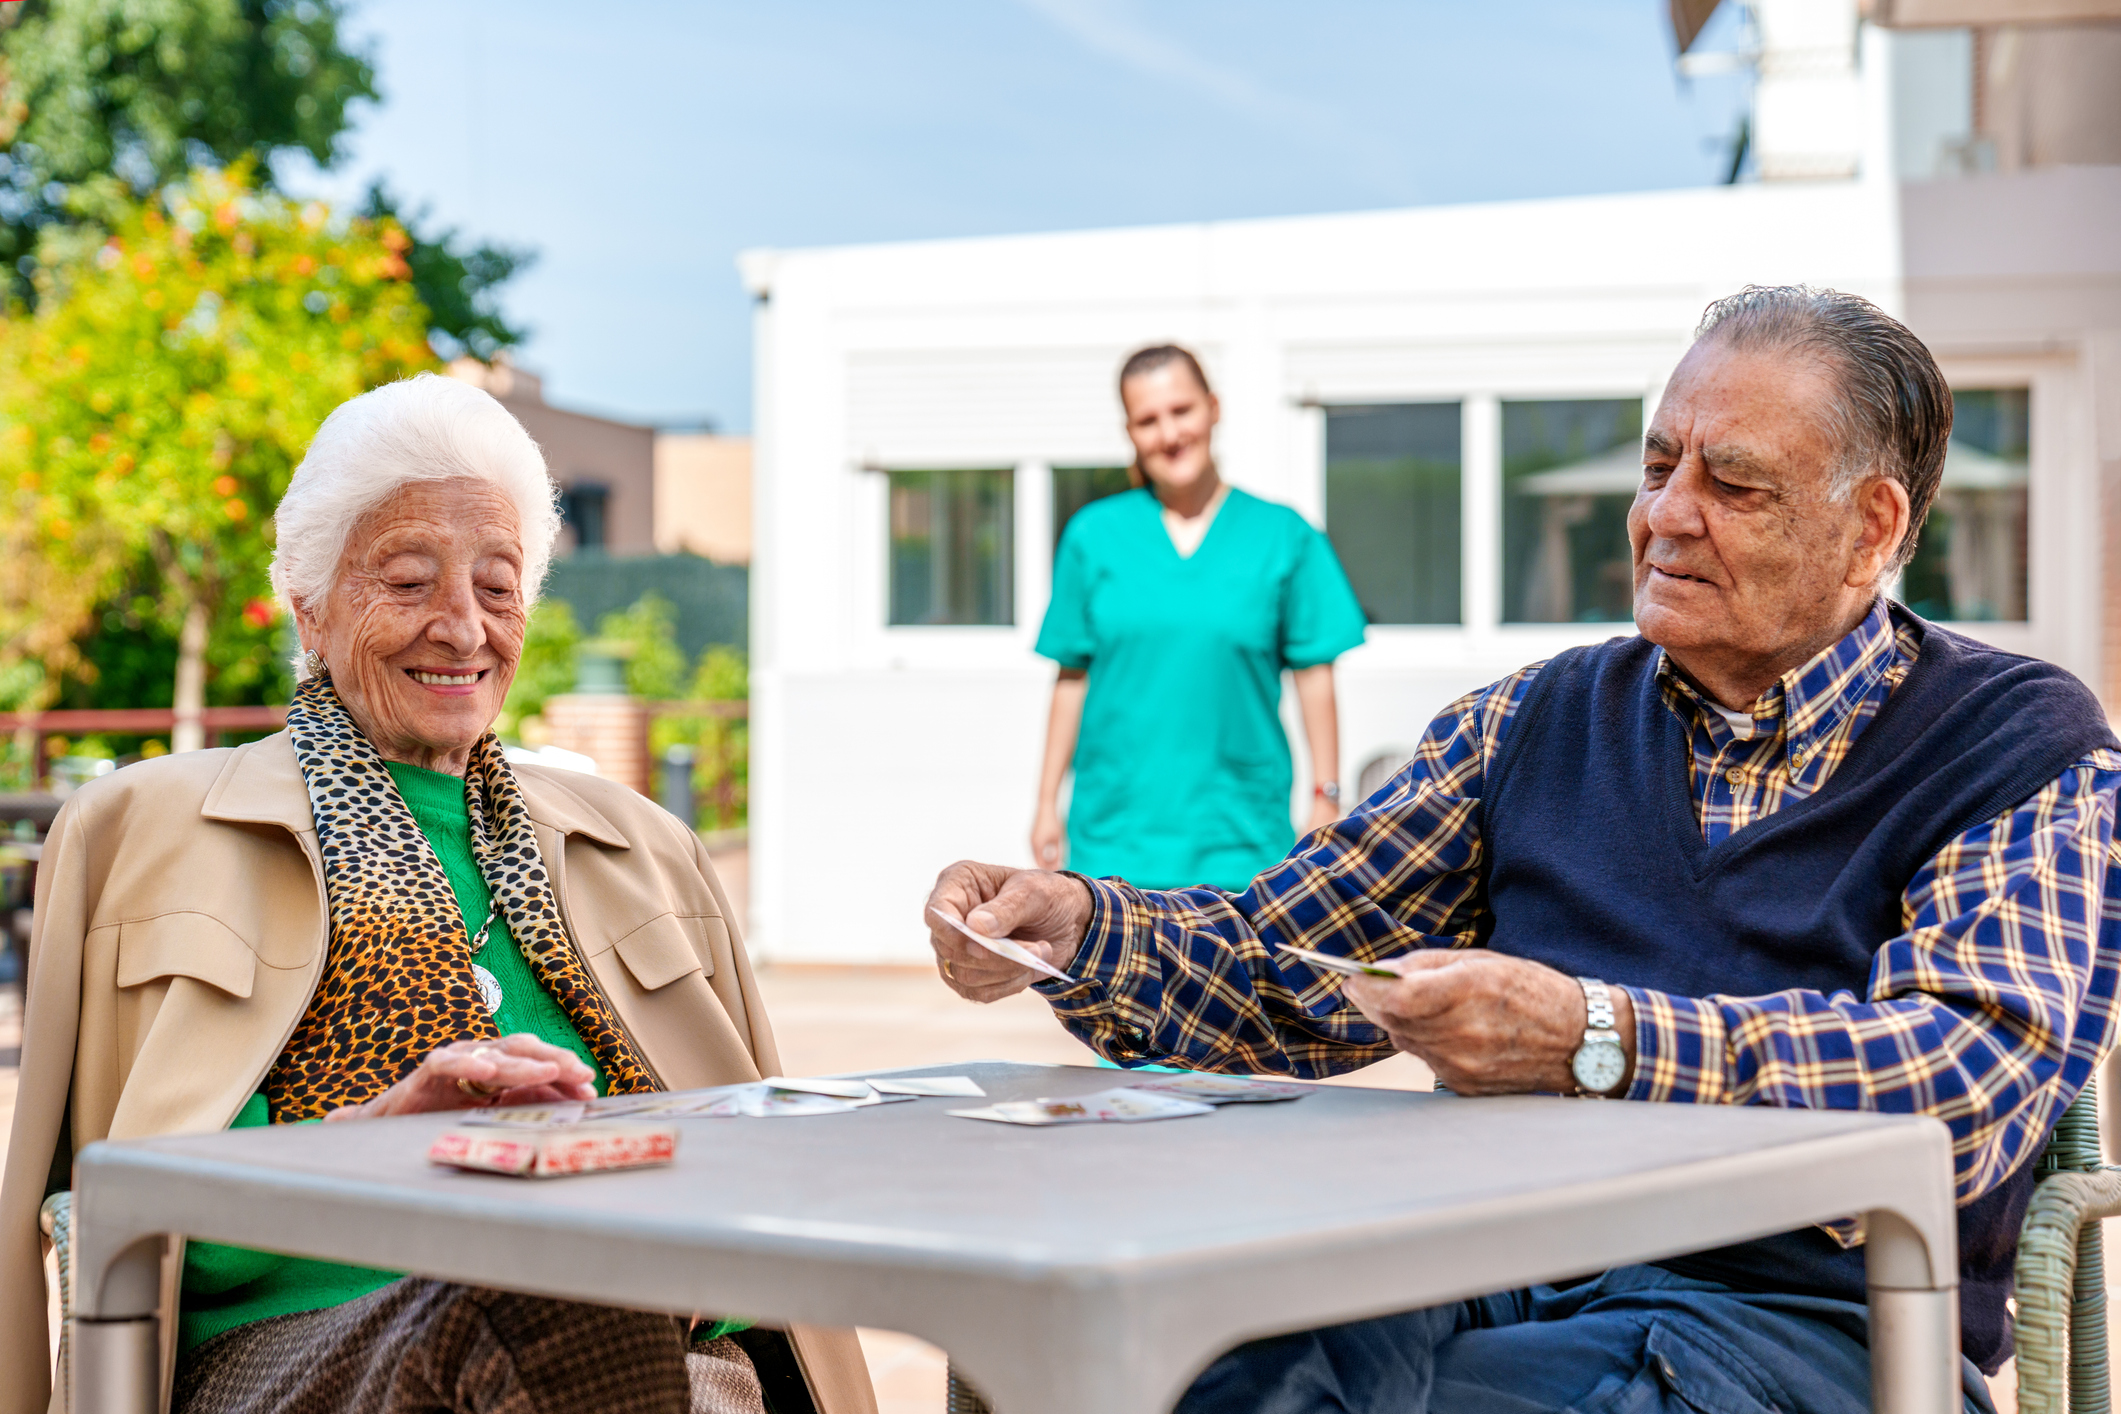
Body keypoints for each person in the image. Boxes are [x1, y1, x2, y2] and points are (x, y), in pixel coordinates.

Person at [927, 287, 2121, 1414]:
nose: (1663, 513)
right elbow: (1286, 965)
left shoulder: (2014, 741)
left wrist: (1592, 1039)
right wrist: (1077, 927)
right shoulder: (1534, 722)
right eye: (1660, 466)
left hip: (1810, 1326)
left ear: (1872, 529)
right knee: (1207, 1355)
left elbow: (1962, 1085)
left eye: (1734, 482)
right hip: (1494, 1254)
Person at [0, 375, 875, 1414]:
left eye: (498, 588)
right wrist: (376, 1148)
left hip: (658, 1352)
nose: (463, 628)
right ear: (310, 609)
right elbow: (98, 1213)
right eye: (410, 582)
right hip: (296, 1360)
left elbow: (754, 1165)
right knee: (538, 1272)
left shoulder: (646, 847)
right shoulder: (148, 830)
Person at [1031, 344, 1367, 890]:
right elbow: (1070, 678)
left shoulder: (1283, 535)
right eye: (1147, 420)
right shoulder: (1092, 536)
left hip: (1240, 838)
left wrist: (1325, 797)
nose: (1168, 433)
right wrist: (1046, 802)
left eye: (1181, 410)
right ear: (1130, 432)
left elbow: (1315, 675)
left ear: (1214, 407)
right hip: (1114, 837)